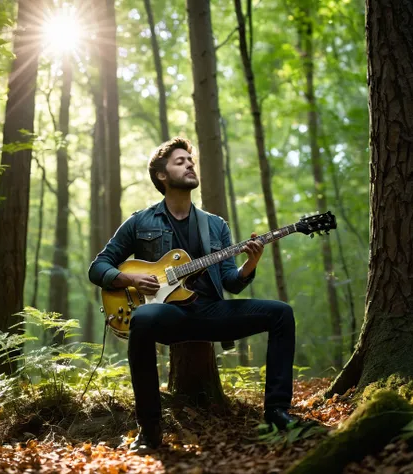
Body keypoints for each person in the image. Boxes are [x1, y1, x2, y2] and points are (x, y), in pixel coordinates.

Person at [88, 137, 296, 452]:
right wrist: (128, 278)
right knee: (143, 318)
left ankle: (278, 412)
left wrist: (250, 263)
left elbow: (231, 281)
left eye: (191, 160)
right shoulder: (140, 221)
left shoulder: (214, 226)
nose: (189, 164)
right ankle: (150, 428)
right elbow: (98, 266)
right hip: (168, 315)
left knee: (281, 313)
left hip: (211, 313)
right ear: (161, 175)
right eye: (180, 161)